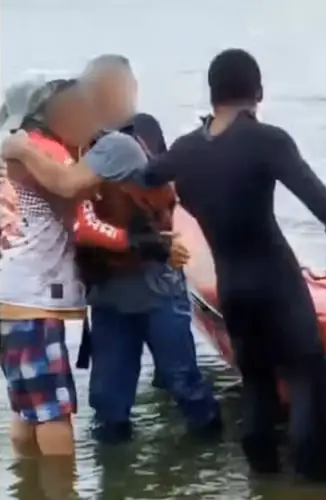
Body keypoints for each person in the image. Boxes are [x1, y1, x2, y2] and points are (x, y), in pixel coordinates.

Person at [3, 48, 326, 481]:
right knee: (305, 373)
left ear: (211, 96)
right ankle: (309, 479)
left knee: (257, 382)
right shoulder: (268, 140)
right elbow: (319, 199)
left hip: (232, 289)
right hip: (275, 281)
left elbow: (147, 182)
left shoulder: (185, 151)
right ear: (258, 93)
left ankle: (262, 477)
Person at [68, 55, 221, 443]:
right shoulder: (73, 145)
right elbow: (75, 215)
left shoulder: (143, 132)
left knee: (183, 381)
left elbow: (171, 191)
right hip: (109, 292)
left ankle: (206, 459)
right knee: (108, 402)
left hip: (157, 285)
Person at [0, 79, 100, 457]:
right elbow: (80, 188)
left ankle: (28, 485)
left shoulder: (13, 151)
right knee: (54, 411)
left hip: (11, 296)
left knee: (26, 406)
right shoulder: (43, 150)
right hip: (35, 298)